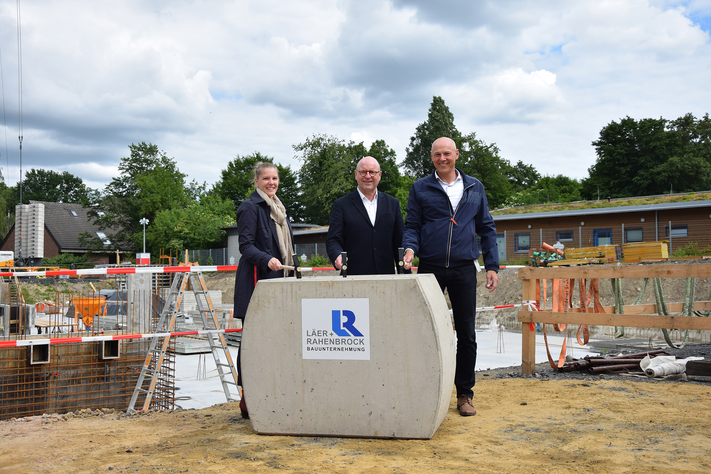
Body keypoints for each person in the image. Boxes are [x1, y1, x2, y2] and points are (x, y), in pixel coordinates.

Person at [402, 137, 499, 417]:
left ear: (456, 154)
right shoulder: (420, 187)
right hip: (430, 267)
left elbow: (487, 228)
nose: (442, 158)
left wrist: (492, 264)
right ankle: (426, 390)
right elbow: (413, 225)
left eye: (447, 153)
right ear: (431, 157)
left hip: (464, 268)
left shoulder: (474, 187)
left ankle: (465, 394)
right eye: (437, 154)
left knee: (466, 333)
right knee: (424, 330)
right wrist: (410, 249)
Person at [233, 161, 294, 419]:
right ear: (256, 182)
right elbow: (245, 246)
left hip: (280, 283)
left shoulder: (279, 209)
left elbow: (287, 248)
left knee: (278, 342)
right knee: (253, 344)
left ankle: (274, 394)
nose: (271, 183)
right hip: (258, 284)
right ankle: (248, 399)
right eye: (266, 179)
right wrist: (265, 259)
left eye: (275, 178)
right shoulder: (249, 207)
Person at [326, 156, 406, 275]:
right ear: (356, 174)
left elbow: (399, 241)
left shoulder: (393, 204)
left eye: (372, 172)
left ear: (379, 175)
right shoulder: (341, 205)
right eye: (363, 172)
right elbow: (333, 240)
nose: (367, 176)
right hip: (354, 277)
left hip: (386, 277)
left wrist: (404, 271)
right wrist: (337, 255)